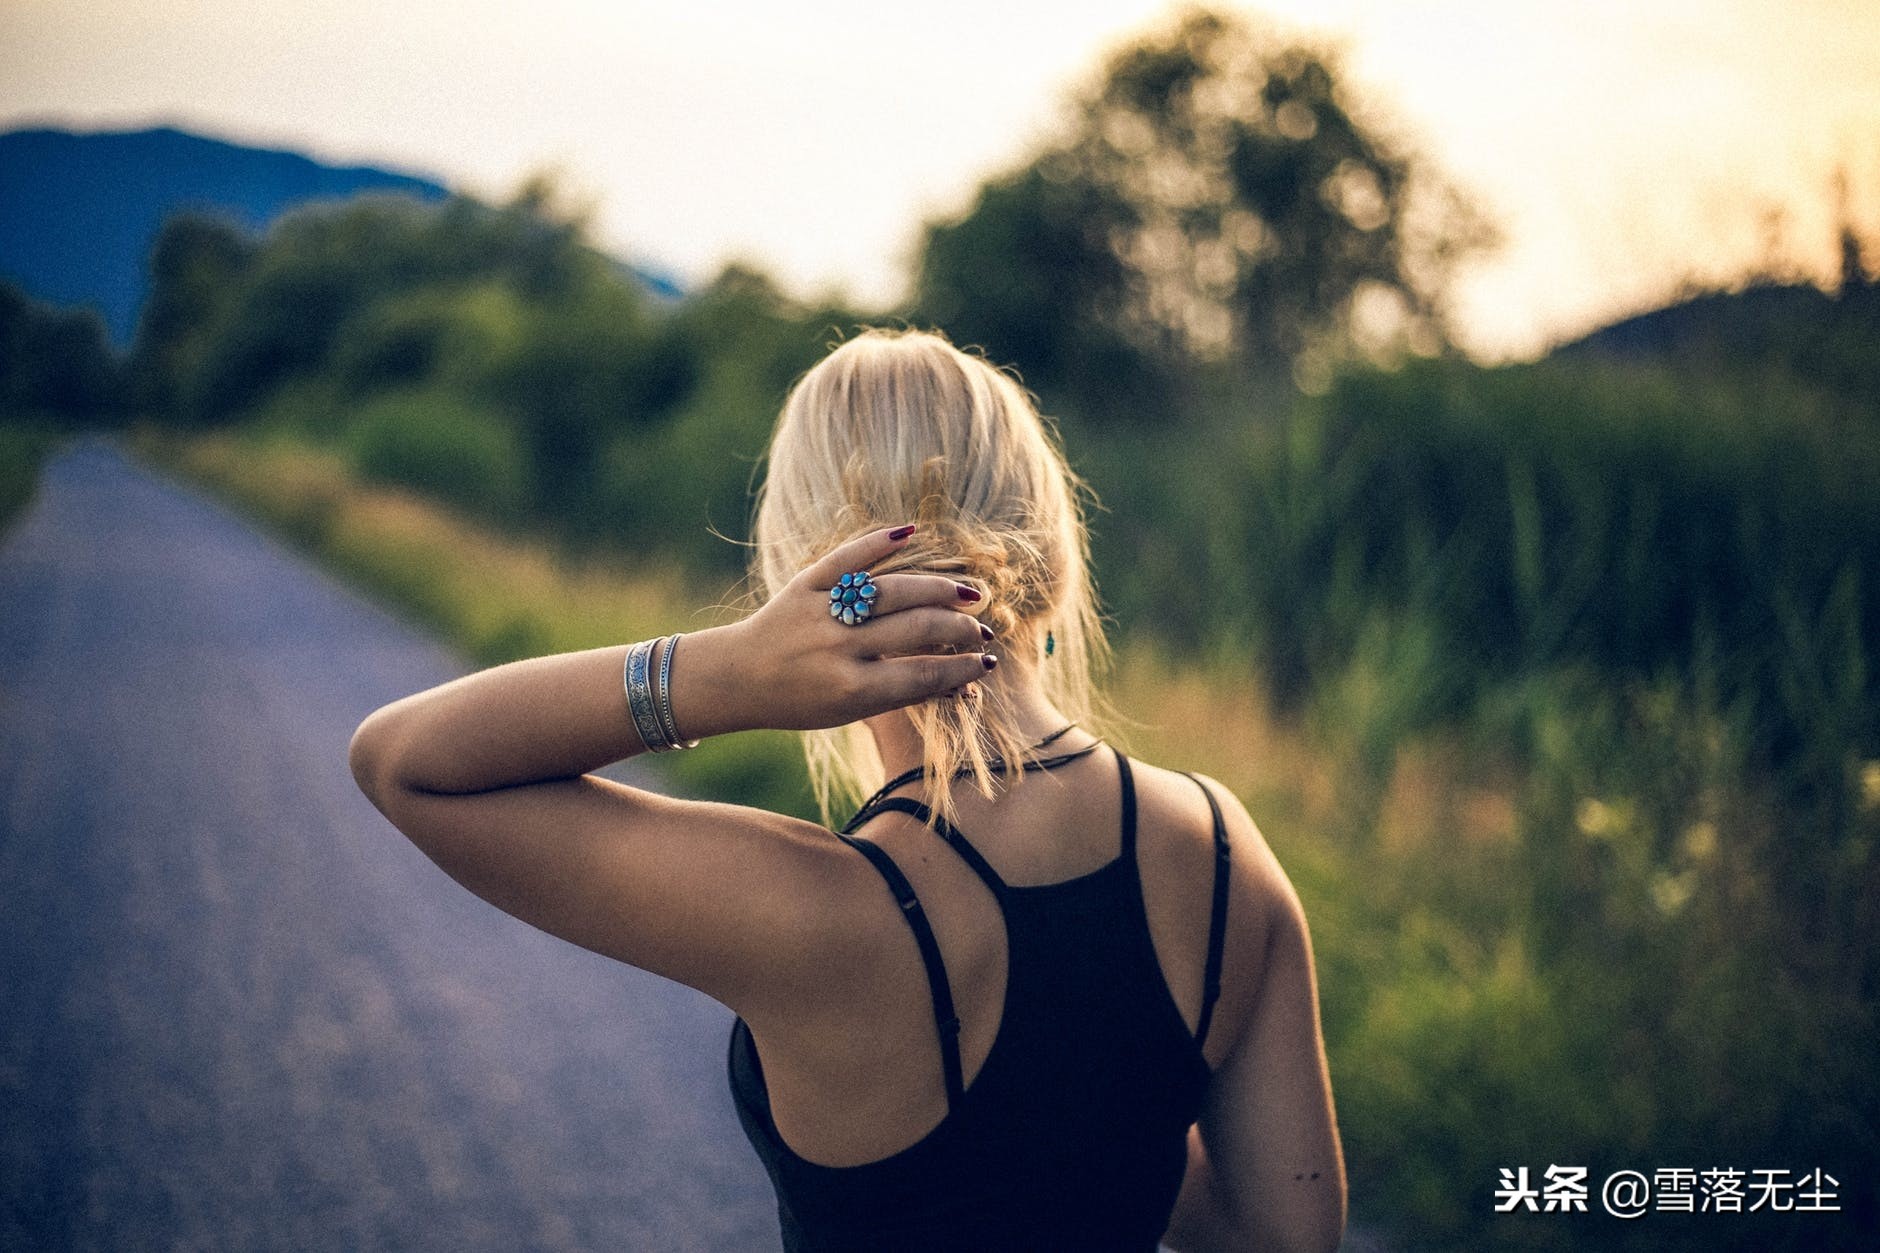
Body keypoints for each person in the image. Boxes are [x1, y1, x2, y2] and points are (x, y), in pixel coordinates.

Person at [349, 327, 1346, 1251]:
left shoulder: (814, 911)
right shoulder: (1222, 848)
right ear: (1048, 559)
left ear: (794, 573)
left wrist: (724, 672)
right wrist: (1103, 1095)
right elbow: (1283, 1233)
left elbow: (405, 761)